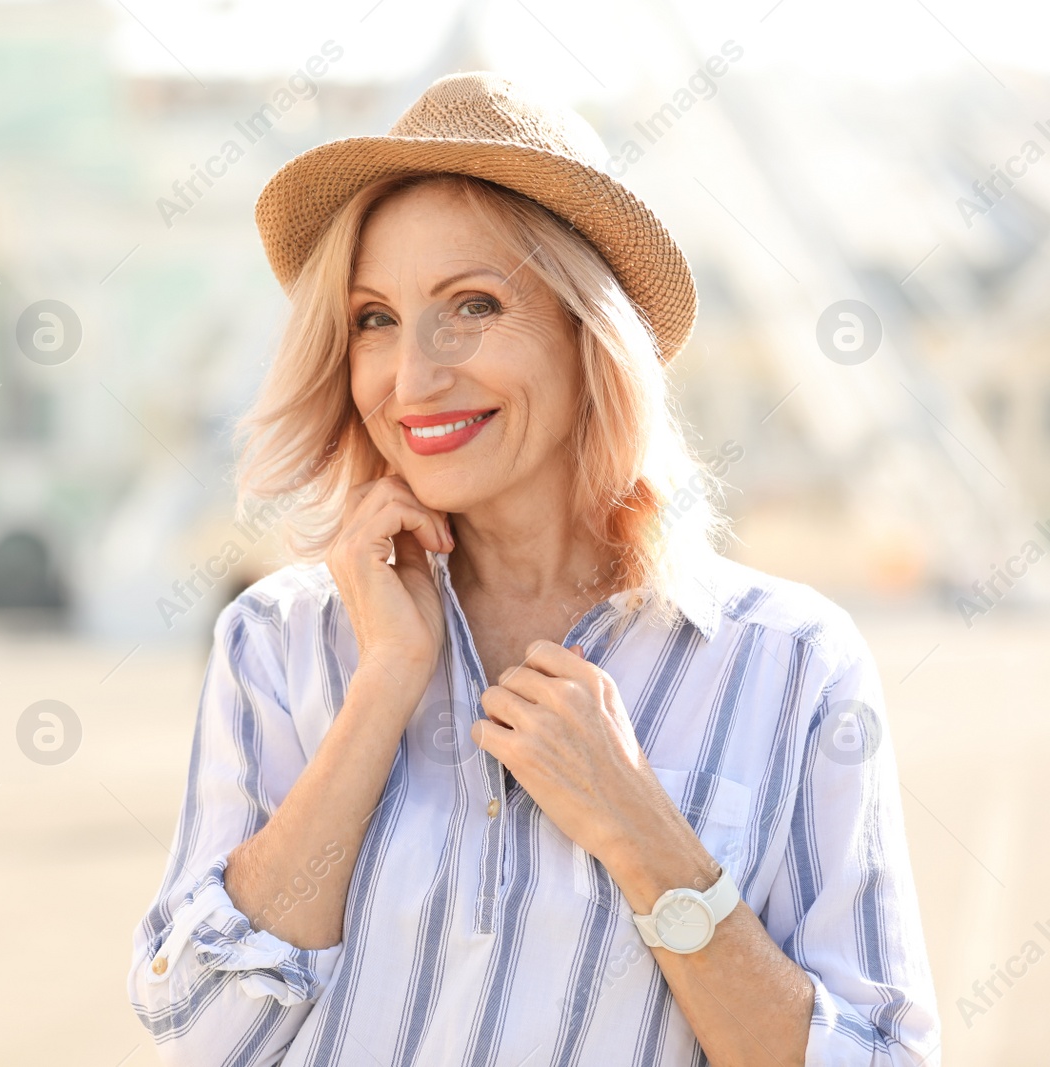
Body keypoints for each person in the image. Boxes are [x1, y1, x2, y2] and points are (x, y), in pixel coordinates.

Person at [128, 72, 939, 1066]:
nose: (413, 376)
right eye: (375, 317)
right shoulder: (276, 640)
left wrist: (648, 838)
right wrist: (381, 683)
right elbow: (206, 1031)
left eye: (471, 304)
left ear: (587, 331)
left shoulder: (792, 664)